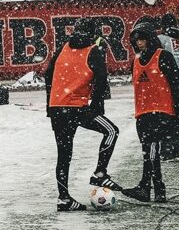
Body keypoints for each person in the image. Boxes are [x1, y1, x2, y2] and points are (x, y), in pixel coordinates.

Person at [44, 17, 121, 212]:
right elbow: (102, 78)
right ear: (93, 33)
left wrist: (50, 103)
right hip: (77, 107)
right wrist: (96, 105)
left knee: (64, 155)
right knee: (111, 131)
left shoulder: (63, 47)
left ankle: (64, 199)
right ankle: (100, 172)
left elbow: (48, 74)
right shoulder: (92, 50)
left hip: (57, 108)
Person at [122, 26, 179, 203]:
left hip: (160, 112)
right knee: (150, 151)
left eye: (142, 40)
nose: (139, 44)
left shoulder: (163, 56)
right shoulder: (136, 61)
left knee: (151, 149)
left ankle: (147, 186)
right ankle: (157, 189)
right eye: (136, 41)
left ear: (150, 39)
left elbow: (177, 84)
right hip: (142, 113)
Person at [158, 13, 179, 161]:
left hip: (167, 82)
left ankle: (166, 150)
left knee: (166, 115)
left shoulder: (161, 40)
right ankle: (178, 150)